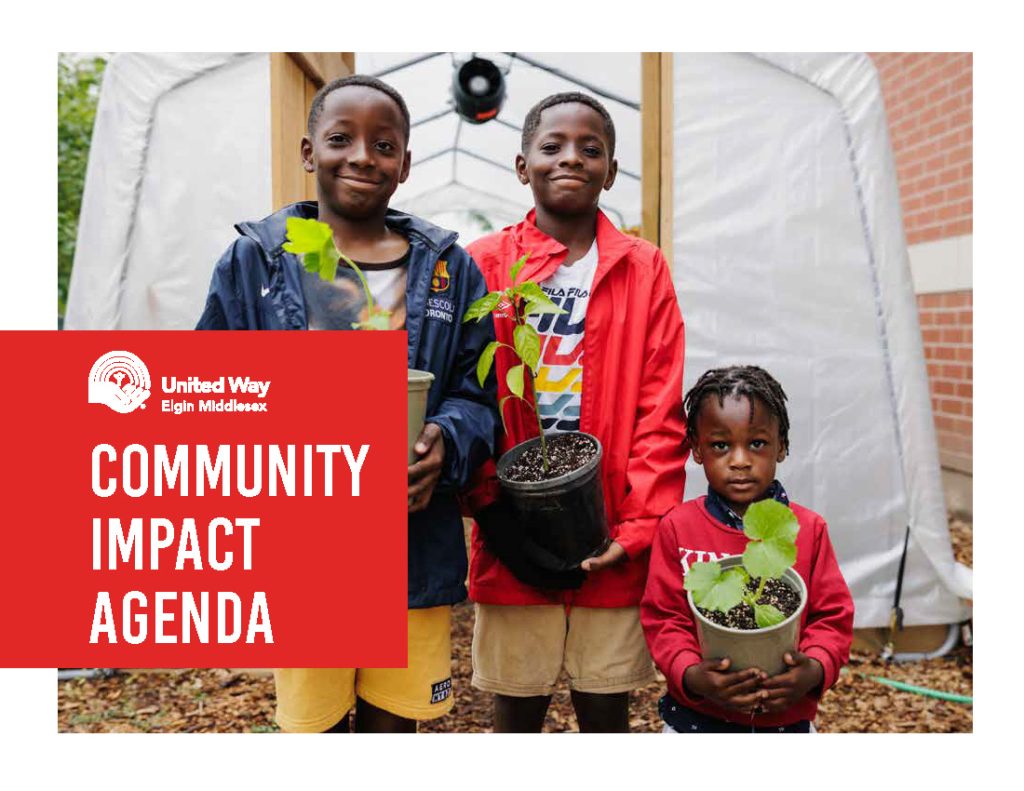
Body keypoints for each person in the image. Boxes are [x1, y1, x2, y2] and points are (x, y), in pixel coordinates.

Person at [196, 74, 497, 732]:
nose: (363, 155)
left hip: (411, 548)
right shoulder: (256, 262)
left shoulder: (448, 267)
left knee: (395, 723)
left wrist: (445, 441)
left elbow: (478, 395)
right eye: (341, 139)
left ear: (405, 164)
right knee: (318, 727)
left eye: (383, 144)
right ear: (309, 153)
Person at [463, 92, 688, 732]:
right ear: (521, 164)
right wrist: (493, 513)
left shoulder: (643, 269)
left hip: (610, 524)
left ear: (611, 171)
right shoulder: (486, 264)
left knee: (605, 700)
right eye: (552, 146)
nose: (572, 159)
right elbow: (473, 399)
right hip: (513, 523)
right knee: (516, 704)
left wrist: (638, 528)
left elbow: (659, 404)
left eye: (591, 149)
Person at [641, 365, 854, 732]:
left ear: (782, 446)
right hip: (695, 720)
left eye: (756, 443)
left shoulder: (809, 530)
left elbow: (832, 618)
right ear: (696, 449)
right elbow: (665, 619)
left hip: (785, 719)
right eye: (721, 445)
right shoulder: (677, 527)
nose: (739, 460)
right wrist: (691, 675)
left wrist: (813, 670)